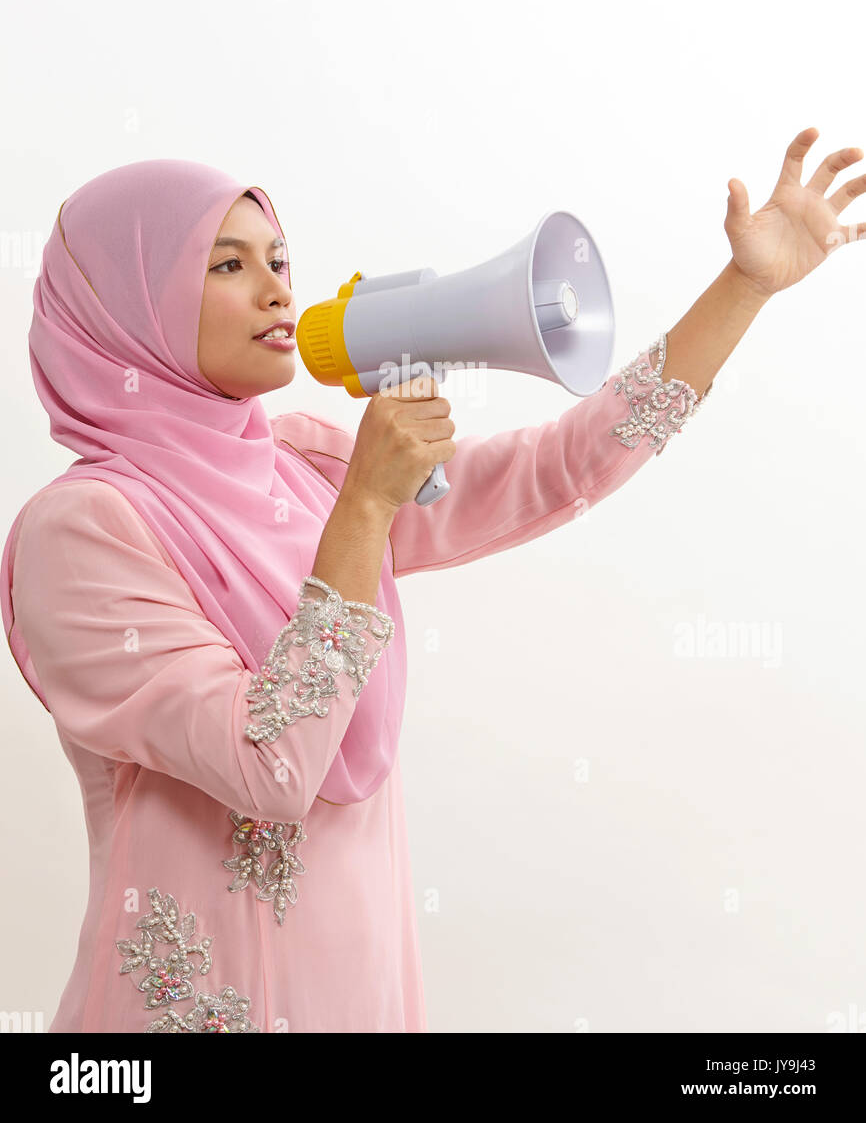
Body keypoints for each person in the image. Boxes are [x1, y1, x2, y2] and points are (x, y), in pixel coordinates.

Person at [2, 129, 862, 1033]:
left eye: (280, 259)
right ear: (128, 303)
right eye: (225, 264)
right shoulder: (84, 531)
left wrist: (744, 288)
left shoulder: (304, 469)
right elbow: (270, 766)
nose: (276, 290)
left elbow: (559, 471)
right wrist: (367, 506)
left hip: (356, 991)